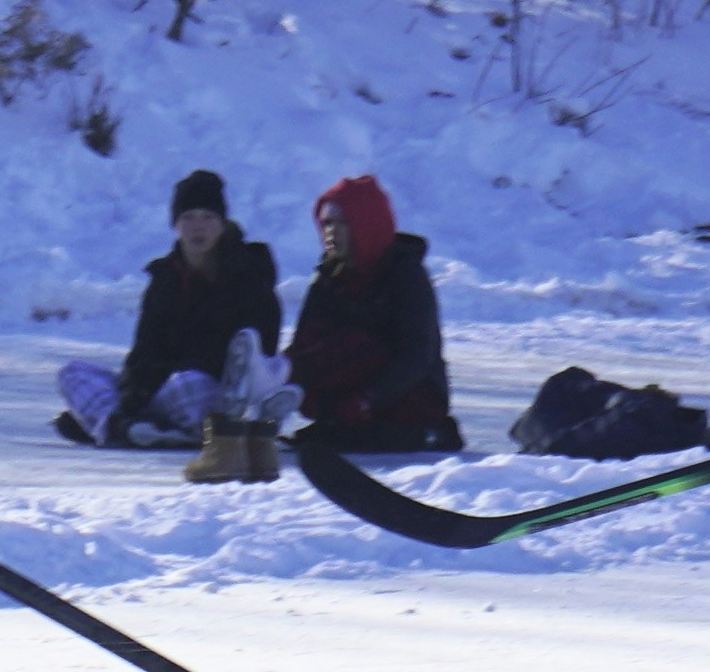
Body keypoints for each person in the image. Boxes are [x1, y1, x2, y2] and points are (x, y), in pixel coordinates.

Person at [54, 169, 298, 483]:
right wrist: (134, 397)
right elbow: (144, 352)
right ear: (175, 225)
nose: (198, 227)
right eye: (188, 218)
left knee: (189, 384)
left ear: (222, 223)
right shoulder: (164, 279)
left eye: (207, 217)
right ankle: (125, 426)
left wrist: (176, 371)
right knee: (73, 374)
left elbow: (254, 352)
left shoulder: (250, 277)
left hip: (209, 390)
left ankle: (143, 429)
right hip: (158, 389)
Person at [287, 174, 460, 454]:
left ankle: (420, 432)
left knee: (354, 347)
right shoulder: (327, 277)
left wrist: (368, 399)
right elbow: (305, 341)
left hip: (408, 399)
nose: (331, 233)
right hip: (347, 399)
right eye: (327, 224)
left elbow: (416, 355)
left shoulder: (406, 275)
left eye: (342, 223)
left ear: (366, 224)